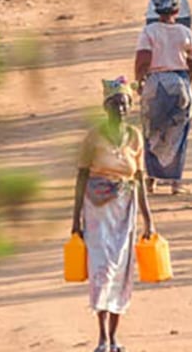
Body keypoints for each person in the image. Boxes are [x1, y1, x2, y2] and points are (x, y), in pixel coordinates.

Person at [71, 78, 155, 352]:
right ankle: (102, 338)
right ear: (105, 107)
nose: (120, 109)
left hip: (125, 210)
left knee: (122, 270)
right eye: (115, 104)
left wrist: (148, 220)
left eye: (124, 104)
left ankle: (115, 337)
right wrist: (75, 221)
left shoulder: (134, 136)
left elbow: (139, 178)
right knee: (101, 269)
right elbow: (82, 176)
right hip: (96, 210)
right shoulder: (93, 137)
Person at [135, 0, 192, 196]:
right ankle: (175, 183)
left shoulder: (149, 31)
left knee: (151, 131)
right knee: (178, 133)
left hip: (155, 83)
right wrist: (187, 80)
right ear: (177, 10)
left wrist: (140, 81)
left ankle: (151, 180)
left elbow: (143, 60)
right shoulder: (185, 32)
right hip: (179, 81)